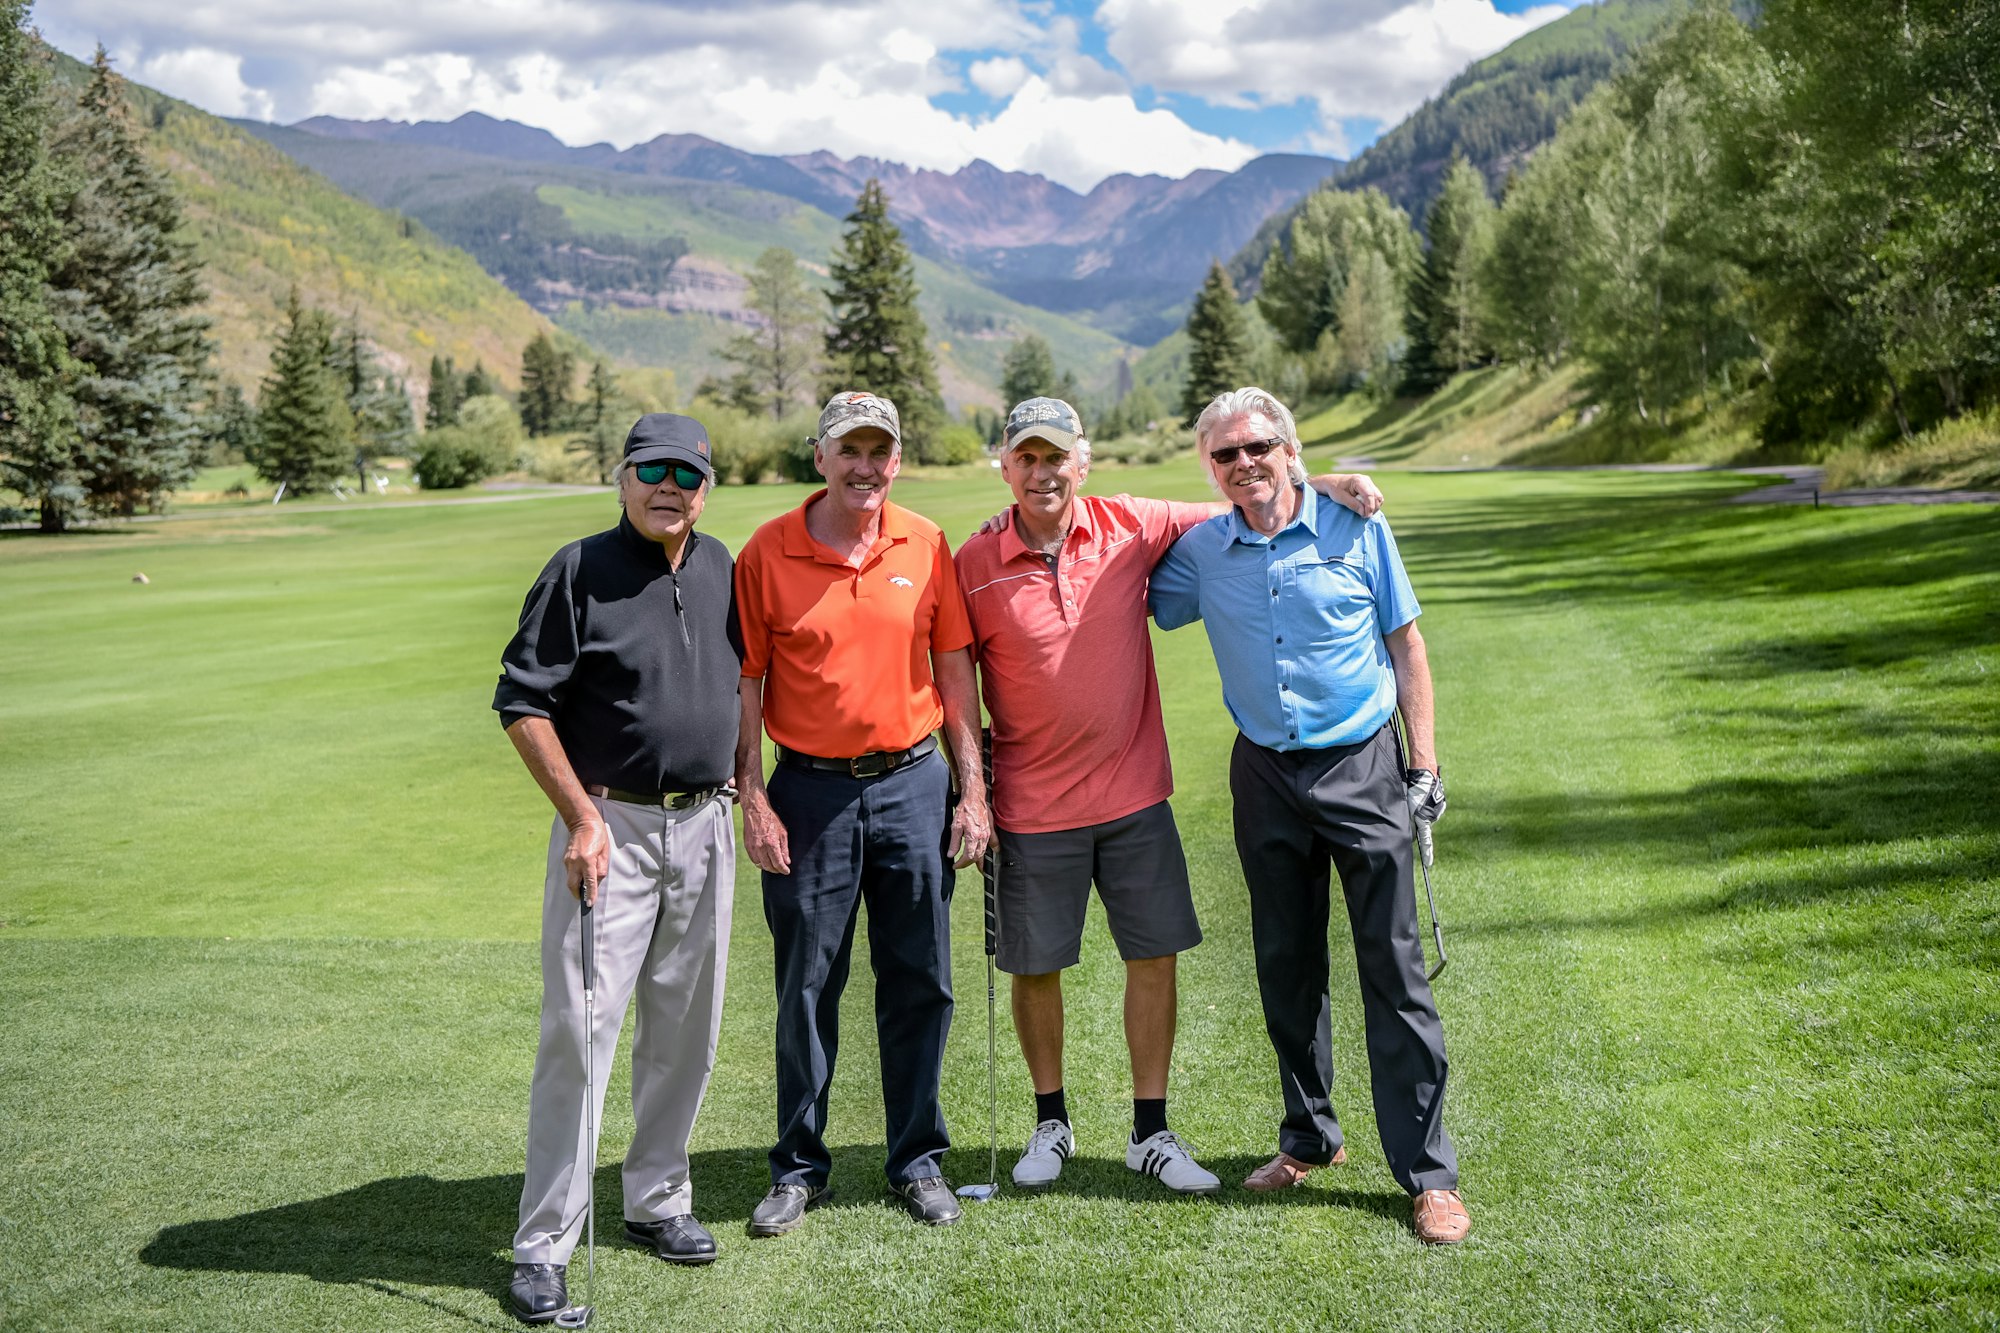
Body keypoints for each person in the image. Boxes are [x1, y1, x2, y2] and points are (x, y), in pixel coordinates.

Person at [954, 396, 1382, 1195]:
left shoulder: (1131, 522)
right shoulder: (972, 560)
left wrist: (1317, 478)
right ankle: (1052, 1120)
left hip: (1132, 795)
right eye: (1027, 459)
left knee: (1152, 957)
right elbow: (954, 683)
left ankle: (1150, 1131)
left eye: (1057, 458)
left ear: (1083, 462)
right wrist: (972, 793)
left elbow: (1249, 494)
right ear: (1007, 467)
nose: (1043, 473)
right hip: (1030, 803)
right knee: (1035, 966)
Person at [1148, 386, 1469, 1244]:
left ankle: (1429, 1174)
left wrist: (1425, 762)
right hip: (1263, 775)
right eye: (1226, 454)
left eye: (1260, 446)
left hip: (1363, 766)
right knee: (1287, 967)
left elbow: (1407, 644)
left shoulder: (1358, 527)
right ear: (1209, 468)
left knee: (1394, 972)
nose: (1245, 462)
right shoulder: (1202, 554)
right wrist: (1309, 476)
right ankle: (1308, 1137)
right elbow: (1133, 566)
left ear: (1287, 447)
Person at [493, 413, 743, 1322]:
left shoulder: (721, 567)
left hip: (706, 825)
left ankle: (657, 1198)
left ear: (706, 486)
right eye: (652, 469)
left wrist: (746, 793)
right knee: (580, 1034)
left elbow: (742, 688)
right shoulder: (577, 569)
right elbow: (523, 701)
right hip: (613, 830)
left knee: (687, 1032)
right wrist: (580, 816)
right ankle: (543, 1245)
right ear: (622, 475)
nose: (669, 484)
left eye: (688, 471)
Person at [733, 390, 991, 1233]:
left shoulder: (926, 541)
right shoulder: (767, 552)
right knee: (807, 982)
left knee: (920, 976)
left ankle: (916, 1158)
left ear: (897, 458)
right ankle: (800, 1166)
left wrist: (972, 790)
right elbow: (748, 685)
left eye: (880, 449)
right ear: (821, 456)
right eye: (850, 449)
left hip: (914, 783)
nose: (866, 465)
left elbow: (954, 673)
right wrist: (755, 797)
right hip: (807, 791)